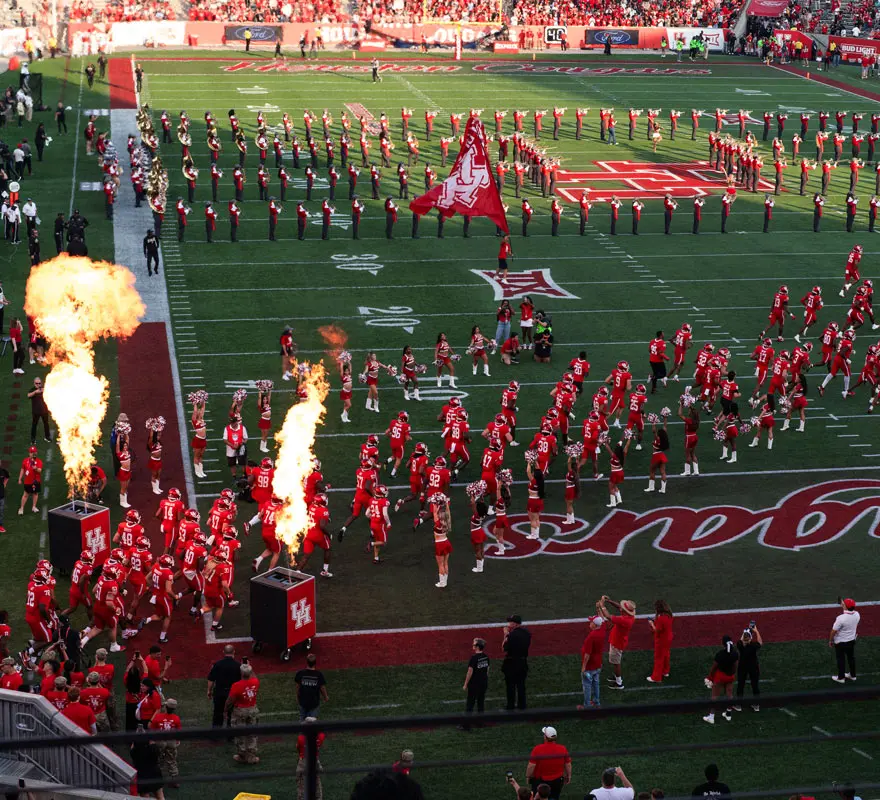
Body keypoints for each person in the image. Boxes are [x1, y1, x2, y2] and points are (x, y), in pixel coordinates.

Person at [597, 596, 636, 689]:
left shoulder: (624, 620)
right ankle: (616, 677)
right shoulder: (629, 616)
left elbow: (608, 616)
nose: (621, 608)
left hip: (617, 643)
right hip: (617, 640)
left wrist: (602, 606)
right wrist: (609, 601)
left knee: (616, 662)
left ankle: (619, 683)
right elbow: (619, 606)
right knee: (615, 661)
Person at [226, 663, 260, 764]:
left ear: (240, 673)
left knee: (240, 734)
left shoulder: (236, 685)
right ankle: (251, 756)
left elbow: (230, 701)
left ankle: (242, 756)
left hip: (240, 712)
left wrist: (225, 710)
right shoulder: (256, 681)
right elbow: (254, 676)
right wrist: (250, 667)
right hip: (253, 710)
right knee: (252, 733)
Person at [526, 726, 571, 799]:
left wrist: (528, 776)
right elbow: (568, 764)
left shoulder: (537, 749)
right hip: (557, 781)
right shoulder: (562, 749)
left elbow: (531, 766)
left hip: (540, 782)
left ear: (545, 737)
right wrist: (568, 776)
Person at [702, 636, 738, 724]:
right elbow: (735, 666)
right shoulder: (735, 653)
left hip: (720, 677)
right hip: (730, 676)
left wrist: (710, 677)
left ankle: (711, 716)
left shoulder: (720, 654)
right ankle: (728, 714)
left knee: (715, 696)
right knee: (729, 695)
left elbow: (714, 667)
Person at [502, 614, 531, 710]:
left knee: (510, 686)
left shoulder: (512, 635)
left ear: (514, 623)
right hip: (523, 662)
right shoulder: (527, 633)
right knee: (521, 686)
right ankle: (522, 706)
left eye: (510, 622)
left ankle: (510, 707)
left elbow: (504, 648)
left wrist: (506, 634)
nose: (509, 624)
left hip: (511, 663)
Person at [207, 644, 241, 727]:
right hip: (232, 694)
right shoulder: (238, 665)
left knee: (218, 713)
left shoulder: (218, 664)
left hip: (219, 692)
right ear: (234, 652)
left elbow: (211, 679)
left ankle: (216, 735)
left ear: (223, 652)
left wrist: (209, 691)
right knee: (231, 714)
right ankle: (230, 736)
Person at [830, 597, 860, 683]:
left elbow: (833, 631)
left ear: (846, 607)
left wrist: (830, 640)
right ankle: (853, 675)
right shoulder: (857, 614)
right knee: (851, 658)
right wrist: (844, 605)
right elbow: (848, 609)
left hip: (841, 643)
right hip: (851, 641)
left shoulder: (840, 618)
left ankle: (841, 678)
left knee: (841, 659)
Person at [578, 616, 605, 709]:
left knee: (587, 686)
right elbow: (603, 620)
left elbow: (587, 654)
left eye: (591, 622)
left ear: (595, 624)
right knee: (596, 683)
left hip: (590, 666)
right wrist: (600, 607)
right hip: (598, 664)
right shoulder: (602, 630)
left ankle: (587, 706)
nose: (590, 623)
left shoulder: (591, 637)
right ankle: (597, 702)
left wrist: (583, 667)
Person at [462, 637, 489, 727]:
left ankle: (466, 726)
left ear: (477, 647)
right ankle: (480, 723)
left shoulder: (474, 658)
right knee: (480, 703)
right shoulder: (486, 657)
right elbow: (487, 671)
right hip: (483, 683)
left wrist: (465, 684)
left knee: (470, 704)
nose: (472, 645)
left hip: (474, 685)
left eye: (474, 644)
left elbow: (470, 672)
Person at [734, 624, 762, 711]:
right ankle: (756, 705)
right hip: (754, 667)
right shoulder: (753, 646)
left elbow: (741, 640)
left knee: (740, 685)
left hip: (742, 667)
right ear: (750, 638)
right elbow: (760, 642)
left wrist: (744, 632)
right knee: (755, 685)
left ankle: (738, 705)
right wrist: (756, 631)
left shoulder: (740, 645)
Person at [295, 653, 329, 720]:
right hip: (314, 703)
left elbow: (297, 687)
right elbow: (322, 688)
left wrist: (297, 697)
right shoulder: (319, 675)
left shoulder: (300, 673)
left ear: (307, 662)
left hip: (303, 702)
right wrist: (326, 697)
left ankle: (302, 730)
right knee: (311, 722)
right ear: (315, 663)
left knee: (302, 720)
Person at [647, 600, 674, 683]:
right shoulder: (669, 615)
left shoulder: (661, 618)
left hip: (661, 640)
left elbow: (657, 630)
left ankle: (656, 677)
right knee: (666, 655)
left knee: (658, 658)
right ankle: (665, 671)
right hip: (668, 638)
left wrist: (651, 623)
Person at [28, 376, 51, 444]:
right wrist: (35, 392)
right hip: (36, 412)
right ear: (34, 383)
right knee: (34, 425)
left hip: (44, 411)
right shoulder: (32, 390)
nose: (38, 384)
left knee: (46, 424)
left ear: (41, 383)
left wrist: (45, 390)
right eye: (36, 383)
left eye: (39, 383)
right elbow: (28, 395)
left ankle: (47, 437)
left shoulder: (44, 389)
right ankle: (33, 439)